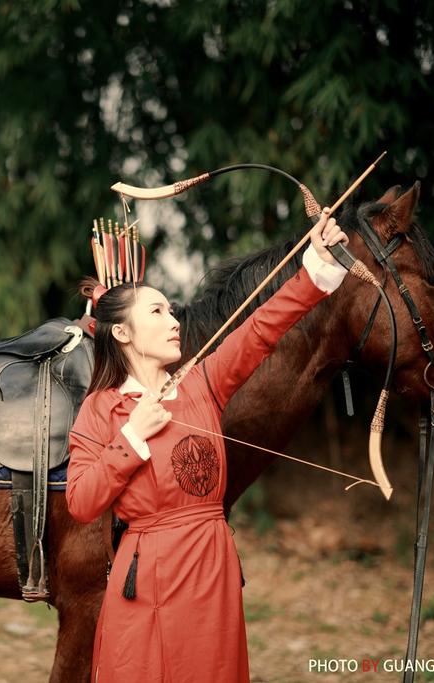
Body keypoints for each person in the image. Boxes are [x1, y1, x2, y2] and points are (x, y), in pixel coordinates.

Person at [66, 208, 350, 682]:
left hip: (211, 571)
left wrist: (315, 265)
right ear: (122, 332)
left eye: (171, 309)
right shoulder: (102, 409)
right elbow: (81, 501)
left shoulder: (201, 384)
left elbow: (261, 329)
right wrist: (132, 436)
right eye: (157, 311)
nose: (174, 319)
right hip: (146, 579)